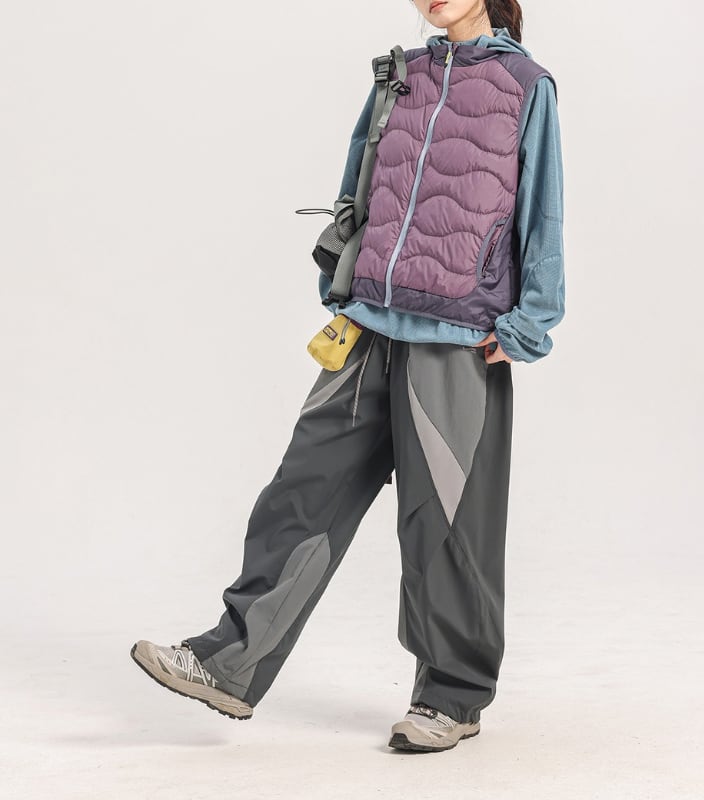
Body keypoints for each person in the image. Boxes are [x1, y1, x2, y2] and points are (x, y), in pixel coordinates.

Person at [131, 0, 565, 754]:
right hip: (368, 327)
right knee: (300, 495)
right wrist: (341, 273)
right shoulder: (400, 73)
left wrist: (529, 321)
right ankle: (227, 663)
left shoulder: (526, 85)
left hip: (457, 340)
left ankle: (452, 697)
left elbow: (543, 209)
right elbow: (357, 182)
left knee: (447, 528)